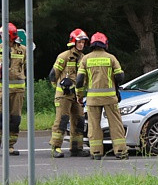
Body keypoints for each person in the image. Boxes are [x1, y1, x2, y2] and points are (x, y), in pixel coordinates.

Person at [75, 32, 128, 160]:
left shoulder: (85, 59)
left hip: (93, 99)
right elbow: (120, 76)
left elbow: (79, 80)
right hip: (110, 98)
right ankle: (120, 151)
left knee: (94, 125)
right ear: (105, 43)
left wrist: (79, 95)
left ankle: (96, 152)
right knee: (115, 124)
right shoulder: (111, 58)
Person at [0, 23, 26, 157]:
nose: (2, 38)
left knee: (15, 119)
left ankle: (10, 146)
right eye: (1, 36)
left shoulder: (23, 50)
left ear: (11, 36)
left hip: (18, 90)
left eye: (4, 35)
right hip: (1, 90)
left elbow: (27, 67)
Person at [48, 29, 89, 158]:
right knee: (62, 120)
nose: (81, 44)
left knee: (79, 120)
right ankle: (56, 147)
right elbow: (53, 75)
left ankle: (76, 148)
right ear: (73, 42)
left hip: (77, 96)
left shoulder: (83, 58)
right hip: (64, 96)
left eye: (83, 42)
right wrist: (59, 88)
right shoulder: (64, 56)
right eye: (79, 42)